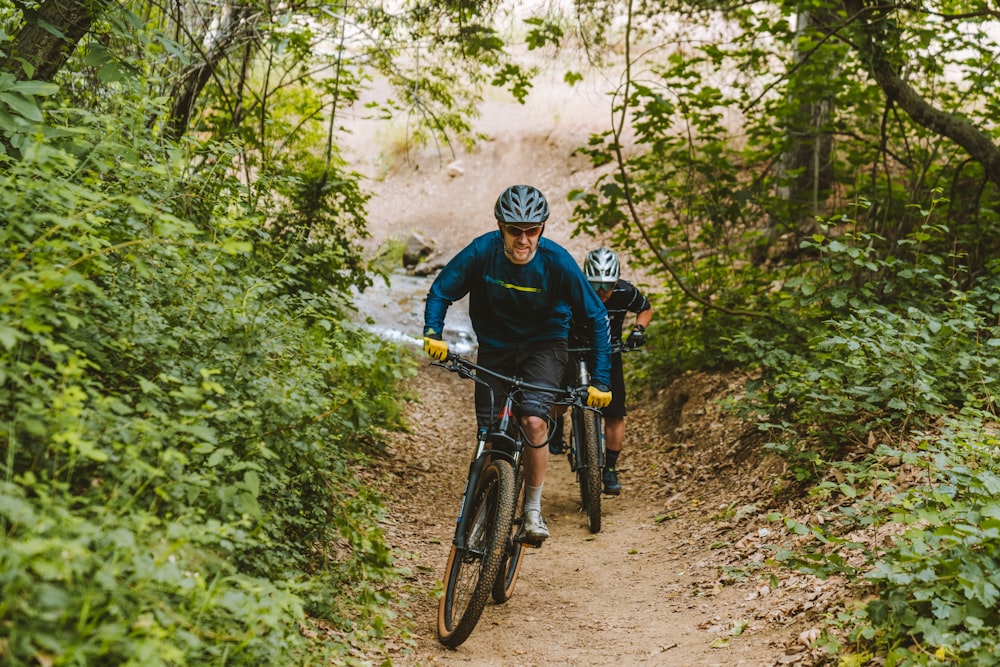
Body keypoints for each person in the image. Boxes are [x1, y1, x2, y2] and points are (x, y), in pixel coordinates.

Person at [422, 184, 613, 545]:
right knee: (491, 435)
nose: (523, 239)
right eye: (515, 230)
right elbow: (442, 290)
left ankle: (531, 511)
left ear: (541, 228)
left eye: (532, 230)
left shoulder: (556, 261)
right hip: (495, 347)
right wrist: (433, 331)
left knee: (533, 420)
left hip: (546, 346)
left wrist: (601, 381)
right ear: (500, 226)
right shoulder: (482, 251)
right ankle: (487, 506)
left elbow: (597, 316)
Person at [551, 247, 653, 496]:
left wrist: (638, 330)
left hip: (608, 352)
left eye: (606, 286)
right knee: (558, 398)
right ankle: (556, 426)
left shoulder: (625, 292)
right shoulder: (573, 290)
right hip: (572, 349)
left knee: (615, 413)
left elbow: (646, 308)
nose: (601, 292)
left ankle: (610, 468)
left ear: (616, 280)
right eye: (594, 285)